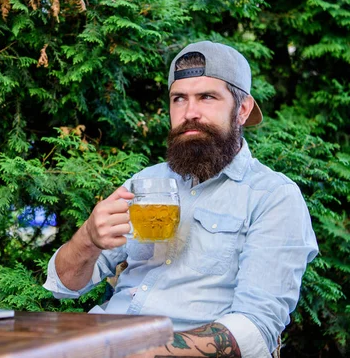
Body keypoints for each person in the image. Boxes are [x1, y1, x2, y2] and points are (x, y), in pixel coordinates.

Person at [43, 41, 319, 358]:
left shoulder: (273, 196)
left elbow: (256, 328)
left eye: (207, 97)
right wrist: (88, 239)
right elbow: (64, 287)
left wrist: (139, 351)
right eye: (179, 99)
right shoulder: (145, 182)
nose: (190, 113)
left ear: (241, 110)